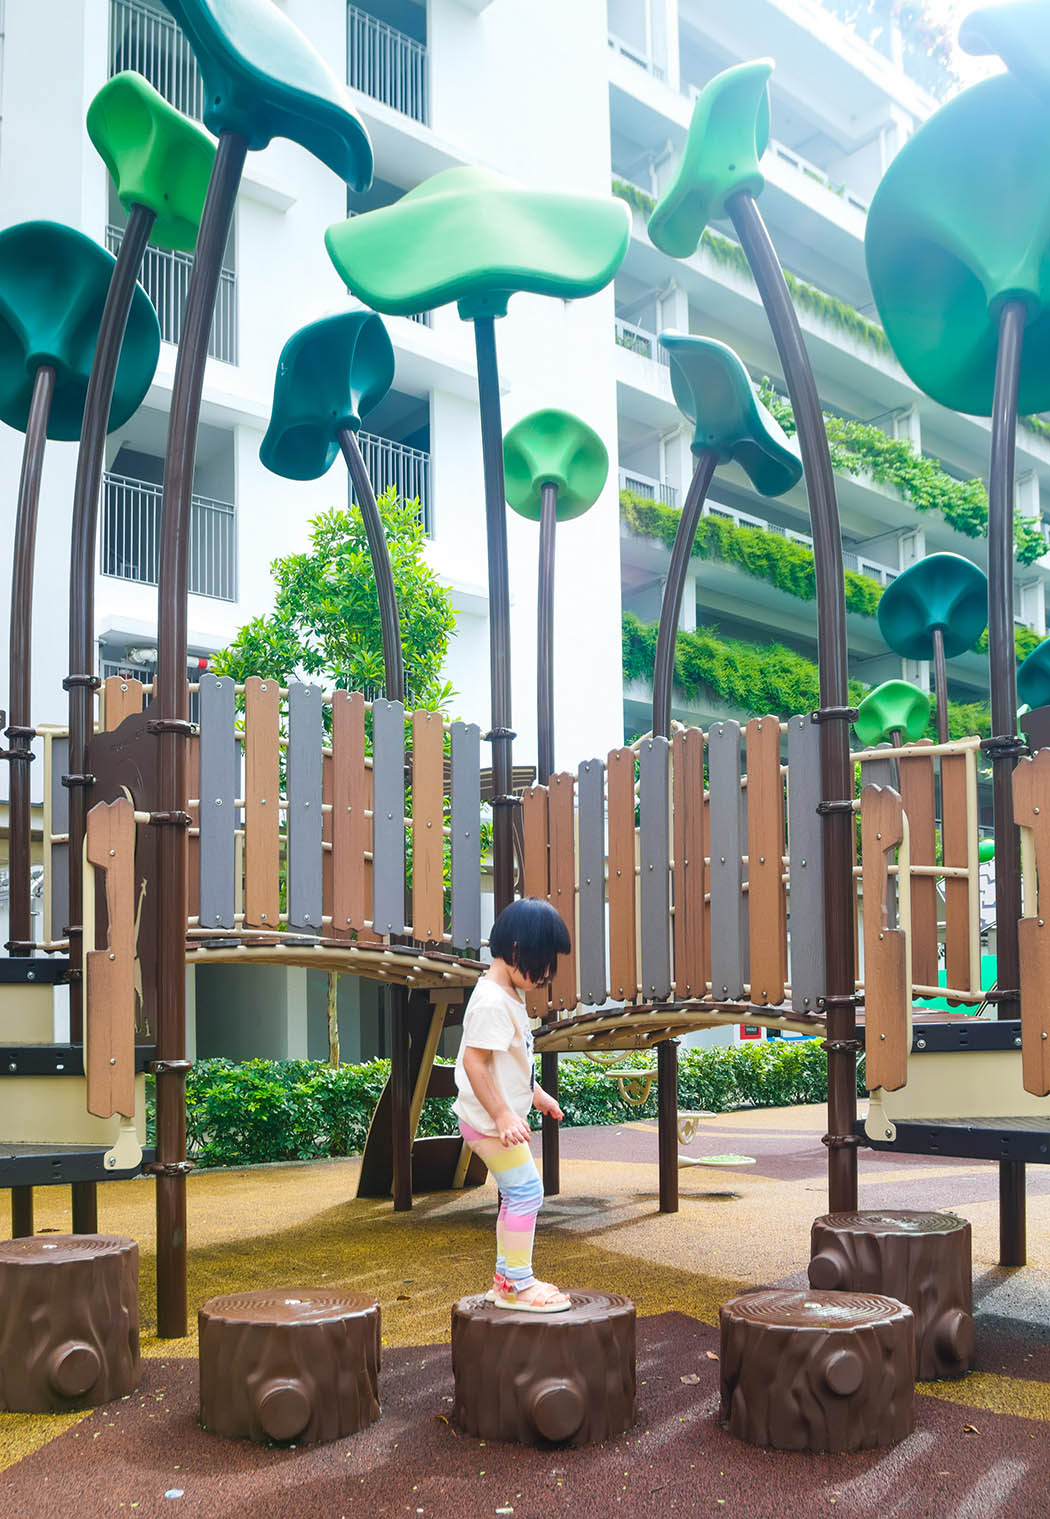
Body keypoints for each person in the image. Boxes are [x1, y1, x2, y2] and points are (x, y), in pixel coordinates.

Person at [454, 896, 572, 1312]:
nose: (545, 976)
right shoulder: (491, 1001)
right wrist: (504, 1113)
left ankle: (507, 1280)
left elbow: (509, 1061)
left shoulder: (507, 995)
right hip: (488, 1121)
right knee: (526, 1193)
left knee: (518, 1193)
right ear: (517, 950)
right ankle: (518, 1284)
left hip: (491, 1118)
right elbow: (475, 1062)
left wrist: (535, 1094)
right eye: (542, 964)